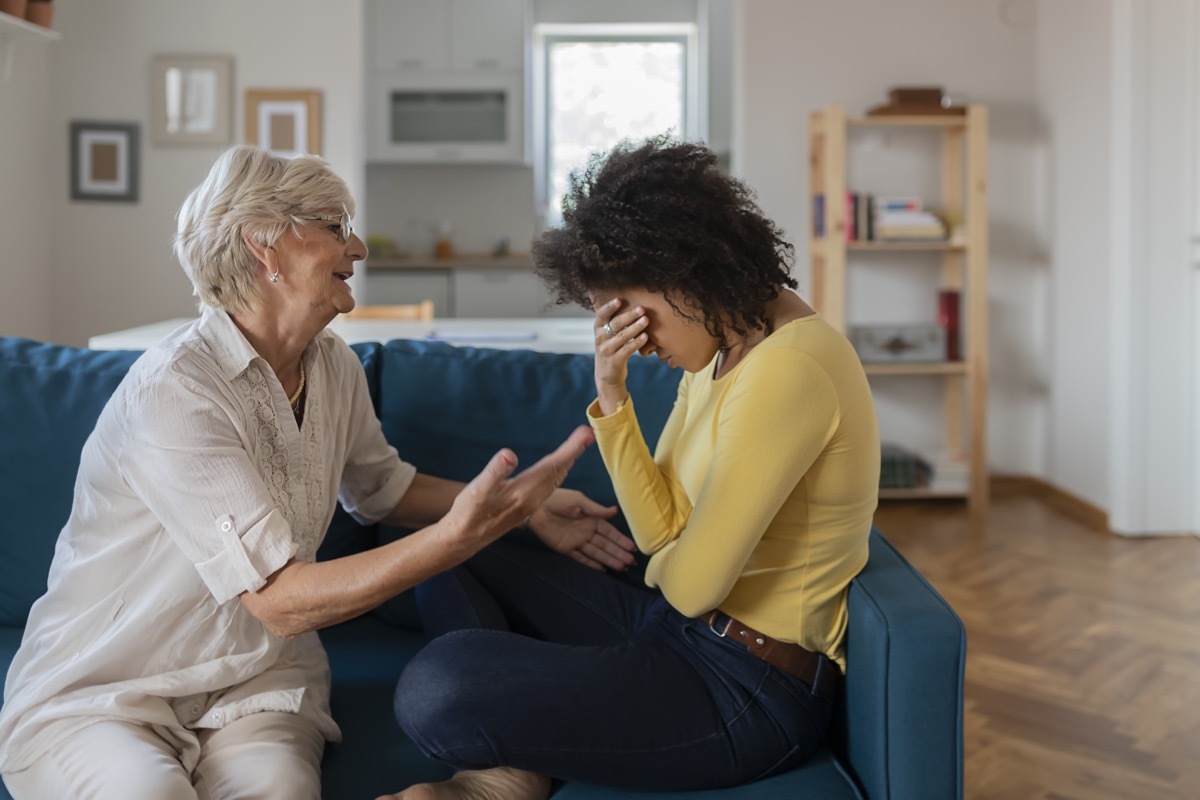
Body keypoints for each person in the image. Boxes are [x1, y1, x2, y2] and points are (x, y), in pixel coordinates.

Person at [0, 144, 633, 800]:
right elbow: (278, 600)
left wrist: (524, 507)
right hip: (110, 689)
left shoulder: (332, 365)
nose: (356, 247)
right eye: (335, 227)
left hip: (258, 685)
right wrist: (457, 539)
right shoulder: (177, 390)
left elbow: (381, 489)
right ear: (264, 249)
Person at [384, 135, 881, 800]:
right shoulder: (724, 346)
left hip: (747, 689)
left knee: (437, 689)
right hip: (678, 634)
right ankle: (512, 765)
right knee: (448, 547)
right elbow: (658, 535)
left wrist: (677, 561)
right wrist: (612, 395)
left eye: (633, 315)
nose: (636, 341)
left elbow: (693, 585)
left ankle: (513, 753)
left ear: (684, 273)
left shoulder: (789, 369)